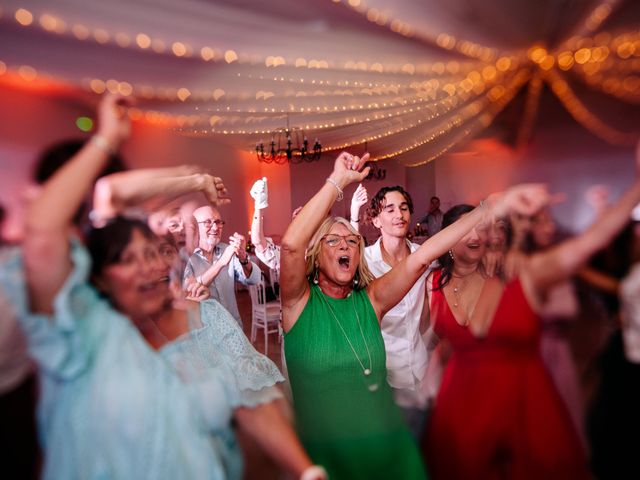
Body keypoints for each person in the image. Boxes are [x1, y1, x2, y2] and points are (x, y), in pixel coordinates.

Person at [4, 94, 325, 480]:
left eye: (156, 253)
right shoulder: (82, 326)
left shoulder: (203, 315)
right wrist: (110, 140)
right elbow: (101, 201)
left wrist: (306, 470)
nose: (150, 266)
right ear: (103, 272)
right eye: (128, 258)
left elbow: (250, 398)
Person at [280, 150, 548, 479]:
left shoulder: (372, 300)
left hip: (388, 446)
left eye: (352, 241)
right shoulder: (298, 304)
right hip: (325, 453)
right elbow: (291, 245)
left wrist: (485, 208)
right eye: (333, 241)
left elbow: (423, 258)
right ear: (316, 253)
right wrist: (338, 182)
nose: (345, 246)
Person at [422, 150, 640, 480]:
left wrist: (638, 186)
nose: (478, 236)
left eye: (487, 229)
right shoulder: (435, 284)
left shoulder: (528, 276)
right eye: (469, 229)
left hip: (523, 407)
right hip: (461, 410)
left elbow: (592, 241)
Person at [361, 185, 431, 439]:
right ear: (376, 219)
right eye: (389, 209)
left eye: (403, 208)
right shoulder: (365, 262)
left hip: (420, 369)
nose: (399, 215)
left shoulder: (425, 258)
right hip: (383, 374)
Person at [184, 205, 261, 328]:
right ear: (195, 227)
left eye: (218, 222)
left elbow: (255, 279)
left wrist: (243, 257)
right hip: (207, 333)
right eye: (208, 222)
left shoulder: (226, 249)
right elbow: (190, 293)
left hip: (233, 328)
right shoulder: (186, 258)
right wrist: (221, 263)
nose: (215, 227)